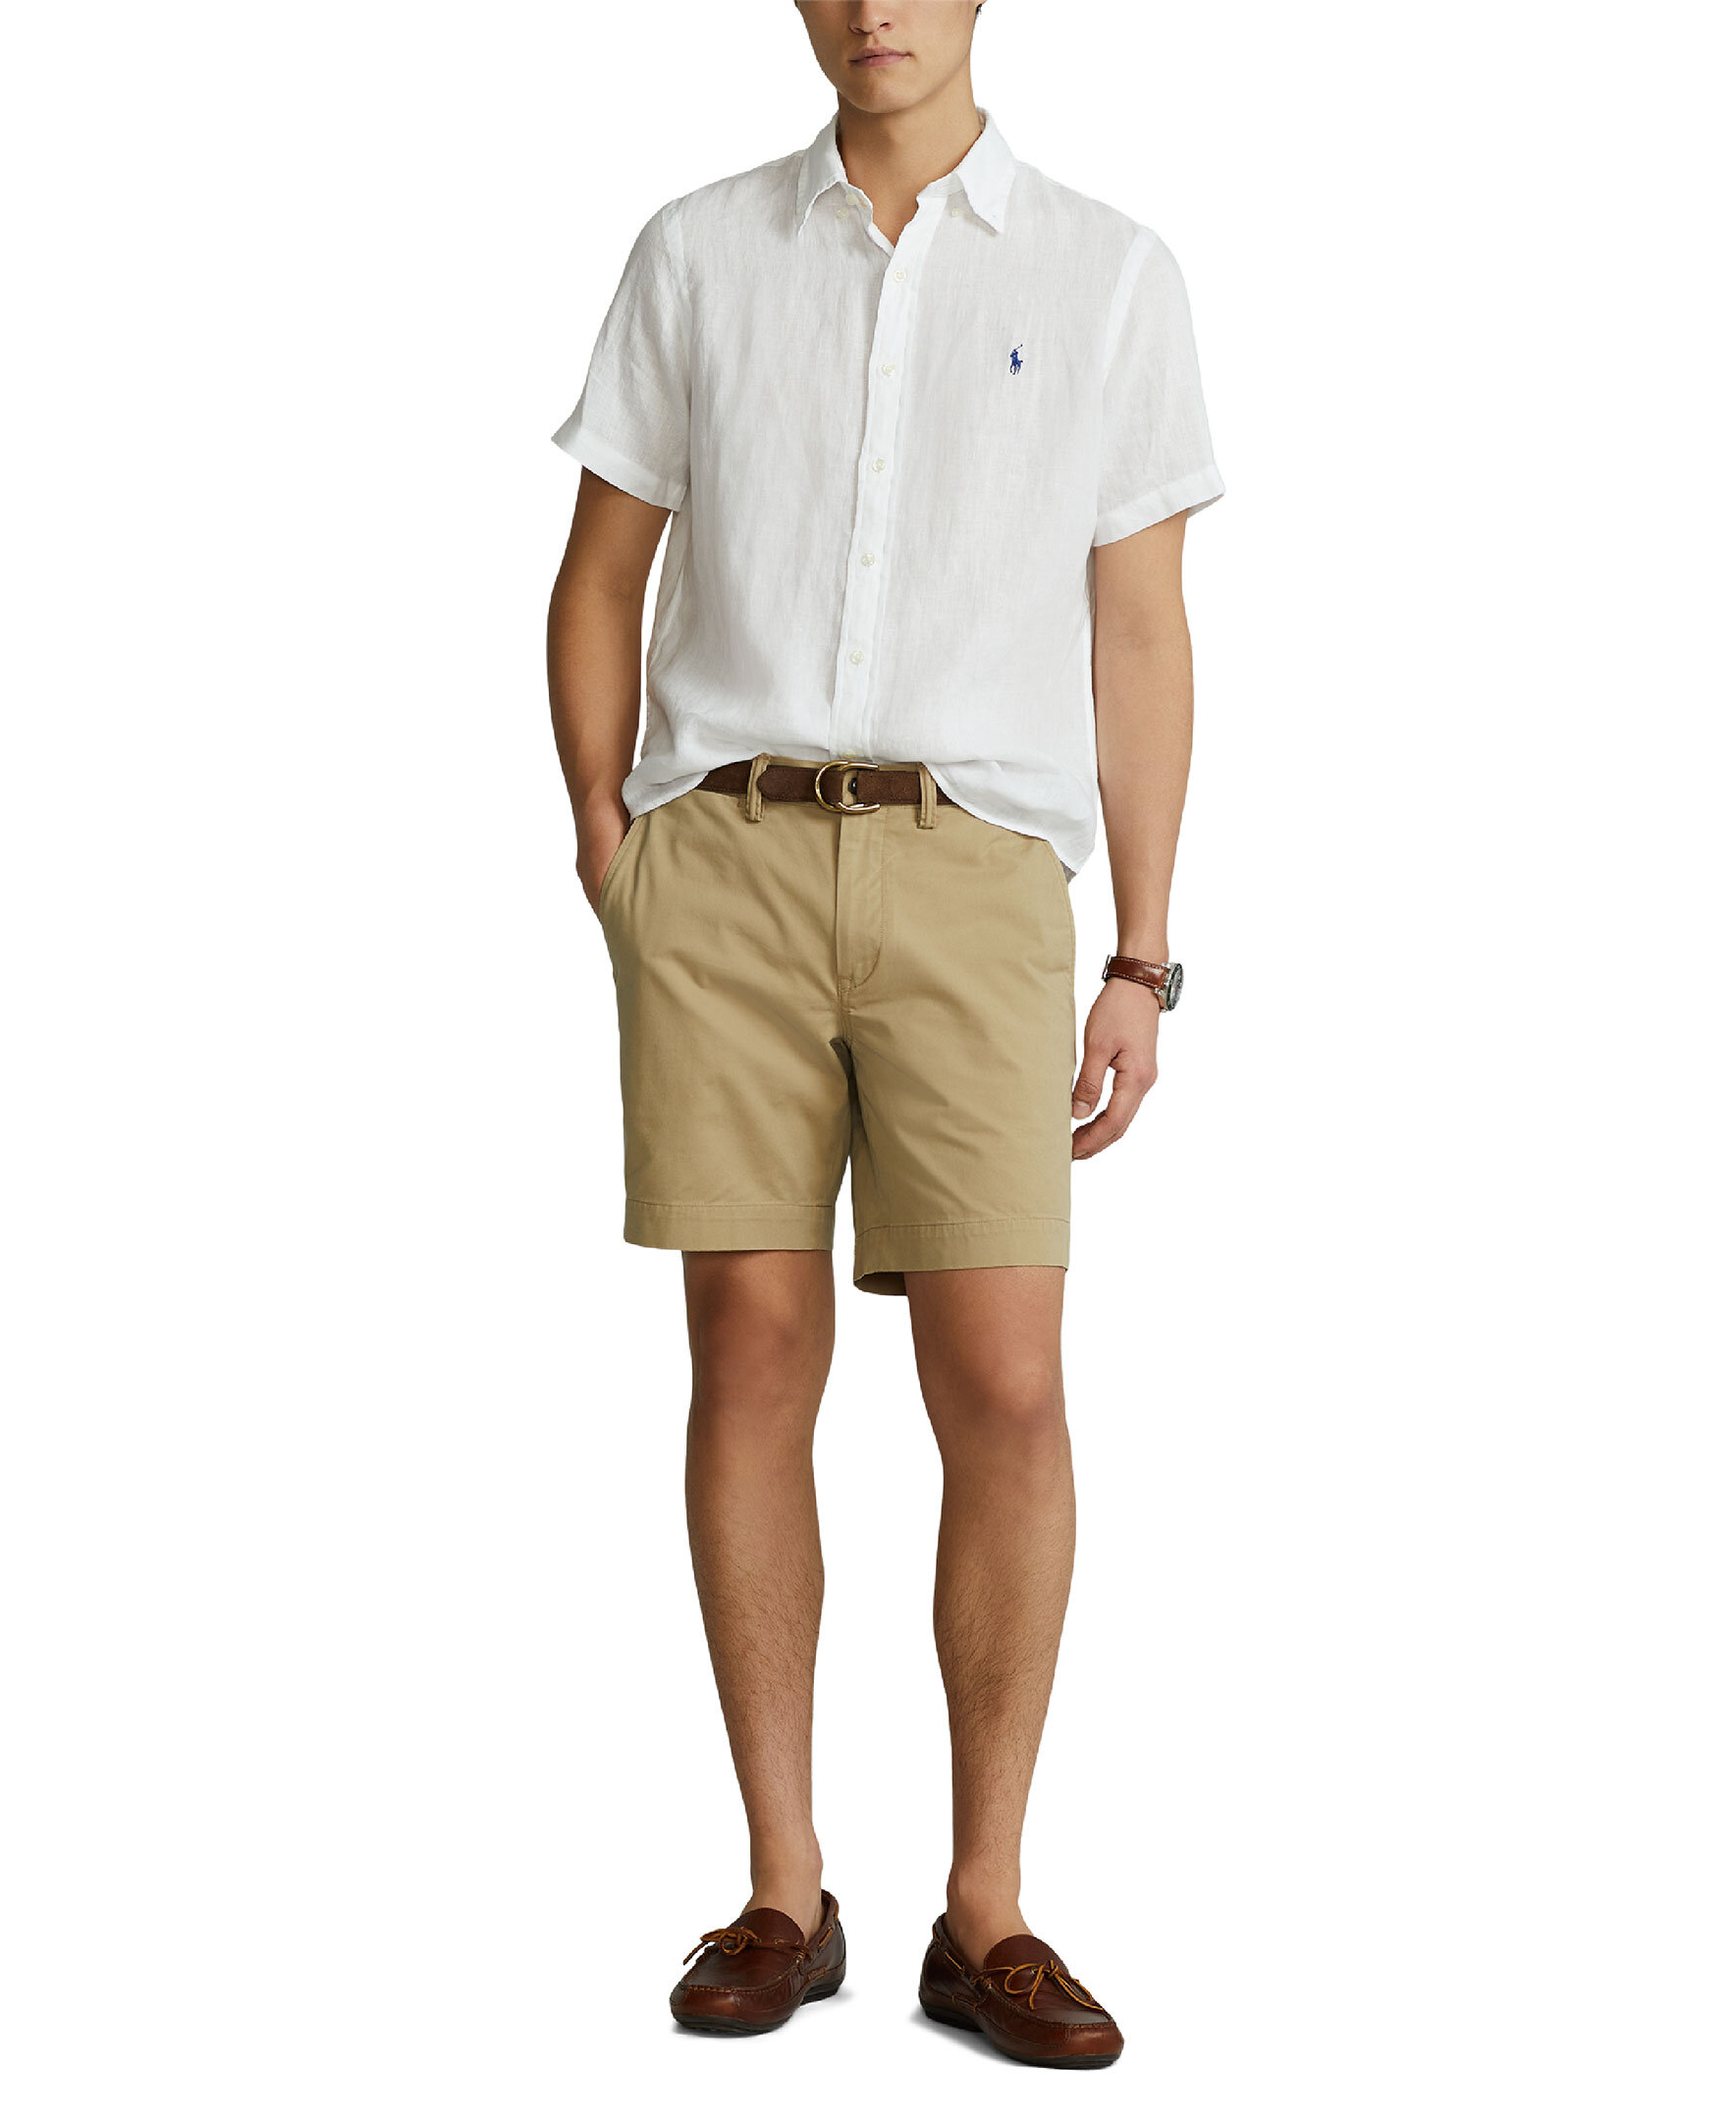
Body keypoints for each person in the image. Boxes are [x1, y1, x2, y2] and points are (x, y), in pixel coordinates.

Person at [546, 0, 1220, 2068]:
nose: (873, 9)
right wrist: (611, 846)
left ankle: (986, 1908)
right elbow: (600, 572)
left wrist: (1143, 952)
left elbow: (1137, 626)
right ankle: (782, 1886)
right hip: (725, 865)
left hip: (975, 878)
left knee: (1005, 1380)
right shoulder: (697, 250)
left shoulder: (1106, 271)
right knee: (750, 1350)